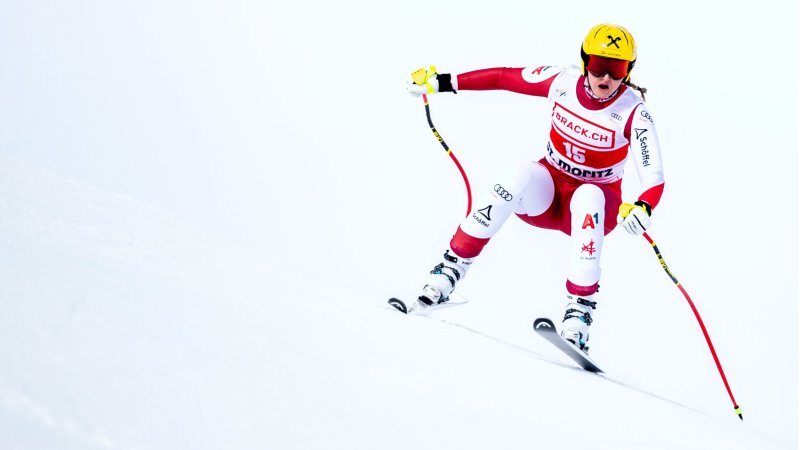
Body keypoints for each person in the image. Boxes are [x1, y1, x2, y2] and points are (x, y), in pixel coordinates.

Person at [404, 23, 664, 352]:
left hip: (595, 207)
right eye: (600, 66)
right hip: (550, 195)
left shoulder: (633, 112)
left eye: (617, 69)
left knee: (588, 195)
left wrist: (643, 206)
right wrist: (442, 82)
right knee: (514, 175)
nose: (607, 78)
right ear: (585, 62)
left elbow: (653, 175)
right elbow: (503, 77)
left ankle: (578, 318)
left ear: (629, 71)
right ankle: (446, 274)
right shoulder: (562, 82)